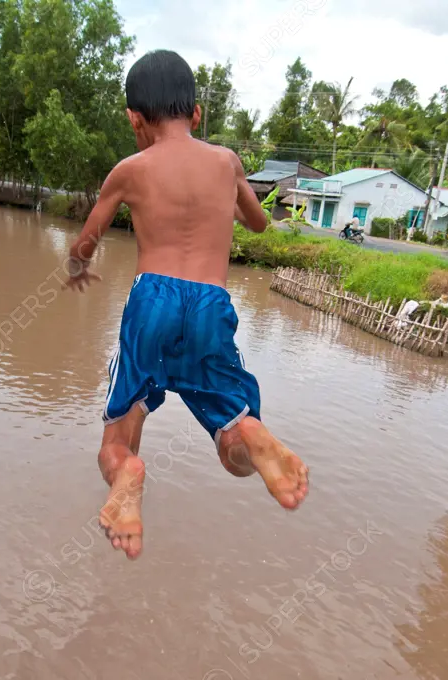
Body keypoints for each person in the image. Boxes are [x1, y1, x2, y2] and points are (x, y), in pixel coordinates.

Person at [63, 50, 310, 561]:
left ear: (134, 118)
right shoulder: (226, 162)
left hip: (151, 298)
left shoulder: (129, 170)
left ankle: (128, 475)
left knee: (119, 435)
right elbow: (259, 223)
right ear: (197, 114)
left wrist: (77, 268)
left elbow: (86, 241)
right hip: (210, 304)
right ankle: (253, 434)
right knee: (231, 440)